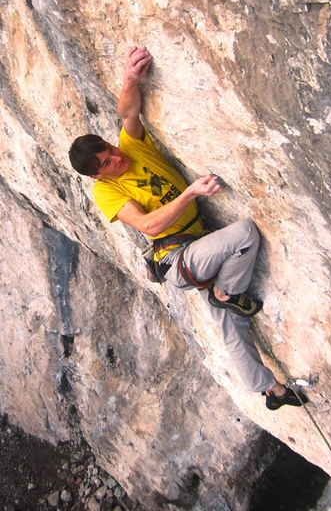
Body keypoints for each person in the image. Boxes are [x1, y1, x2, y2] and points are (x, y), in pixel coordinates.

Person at [69, 46, 308, 410]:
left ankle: (272, 392)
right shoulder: (106, 191)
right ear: (97, 174)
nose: (117, 157)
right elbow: (149, 224)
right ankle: (225, 291)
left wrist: (129, 79)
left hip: (196, 246)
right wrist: (190, 192)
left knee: (231, 328)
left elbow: (128, 111)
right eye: (107, 162)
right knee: (244, 233)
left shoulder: (131, 148)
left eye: (109, 149)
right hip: (180, 257)